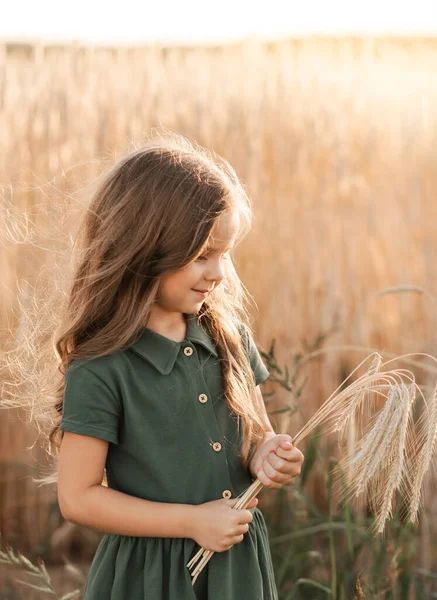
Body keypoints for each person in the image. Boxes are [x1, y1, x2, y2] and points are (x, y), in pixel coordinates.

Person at [51, 131, 304, 599]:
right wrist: (192, 521)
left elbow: (254, 438)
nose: (219, 273)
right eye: (202, 255)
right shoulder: (102, 365)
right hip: (149, 578)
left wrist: (268, 456)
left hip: (234, 566)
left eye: (224, 254)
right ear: (144, 248)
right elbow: (78, 497)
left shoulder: (229, 339)